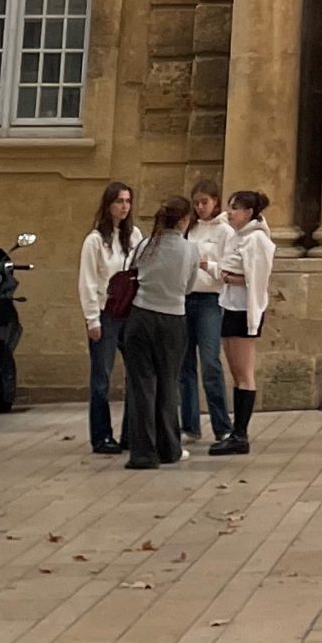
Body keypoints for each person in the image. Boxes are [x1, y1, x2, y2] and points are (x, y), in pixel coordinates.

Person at [121, 197, 196, 470]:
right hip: (172, 319)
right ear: (184, 220)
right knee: (168, 384)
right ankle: (169, 447)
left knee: (141, 386)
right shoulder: (190, 250)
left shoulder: (144, 245)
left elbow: (131, 274)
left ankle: (142, 452)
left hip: (140, 317)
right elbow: (188, 287)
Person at [211, 189, 277, 457]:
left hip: (244, 309)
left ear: (249, 212)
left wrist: (229, 277)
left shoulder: (257, 239)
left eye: (235, 208)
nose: (230, 212)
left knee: (244, 372)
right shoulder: (238, 236)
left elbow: (257, 279)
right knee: (236, 371)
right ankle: (236, 431)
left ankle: (241, 433)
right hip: (230, 305)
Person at [79, 180, 139, 454]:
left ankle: (132, 432)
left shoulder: (134, 235)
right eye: (119, 201)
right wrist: (93, 319)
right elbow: (88, 281)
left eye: (127, 201)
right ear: (109, 205)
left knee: (136, 374)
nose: (124, 207)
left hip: (130, 313)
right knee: (101, 377)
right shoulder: (95, 240)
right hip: (106, 313)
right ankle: (101, 436)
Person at [180, 178, 234, 448]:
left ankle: (222, 425)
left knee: (210, 362)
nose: (200, 207)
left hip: (211, 300)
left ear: (215, 202)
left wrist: (206, 264)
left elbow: (227, 268)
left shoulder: (224, 231)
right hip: (187, 298)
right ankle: (189, 425)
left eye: (205, 202)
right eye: (197, 203)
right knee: (184, 363)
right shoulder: (190, 228)